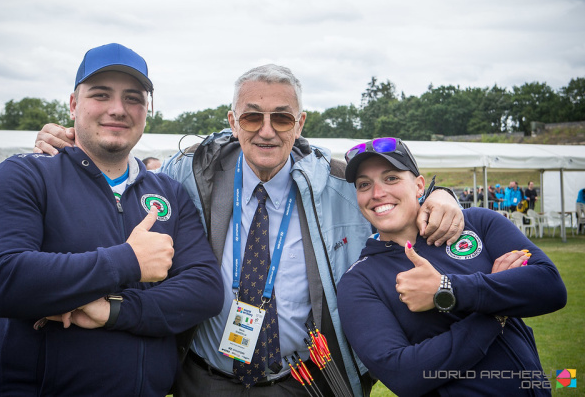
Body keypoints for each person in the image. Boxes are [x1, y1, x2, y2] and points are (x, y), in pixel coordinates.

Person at [34, 64, 464, 397]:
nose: (266, 130)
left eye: (282, 117)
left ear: (300, 124)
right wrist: (73, 146)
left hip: (302, 380)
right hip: (204, 379)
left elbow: (397, 198)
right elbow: (122, 181)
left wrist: (442, 195)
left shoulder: (340, 184)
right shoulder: (188, 174)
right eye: (252, 116)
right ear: (232, 119)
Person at [0, 43, 224, 396]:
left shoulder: (168, 191)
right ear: (73, 104)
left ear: (147, 110)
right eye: (101, 94)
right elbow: (2, 279)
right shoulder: (23, 175)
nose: (118, 109)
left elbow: (205, 290)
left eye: (133, 98)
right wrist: (127, 261)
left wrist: (111, 311)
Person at [337, 137, 567, 396]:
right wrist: (496, 311)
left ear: (419, 185)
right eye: (364, 184)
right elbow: (404, 375)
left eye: (391, 178)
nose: (377, 193)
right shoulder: (359, 280)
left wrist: (447, 290)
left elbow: (550, 287)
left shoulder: (478, 222)